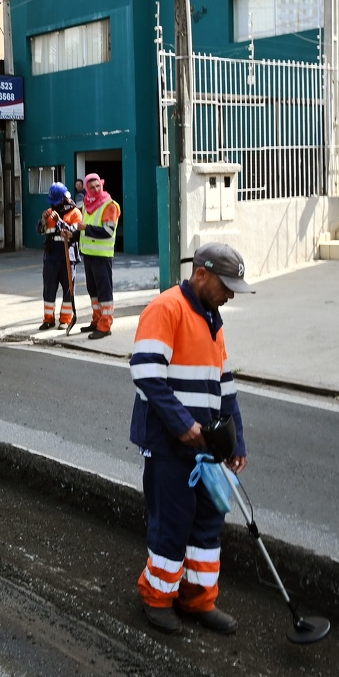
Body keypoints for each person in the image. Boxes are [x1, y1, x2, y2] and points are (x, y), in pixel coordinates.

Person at [131, 242, 253, 636]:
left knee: (207, 523)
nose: (231, 294)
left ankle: (198, 599)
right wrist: (183, 425)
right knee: (172, 522)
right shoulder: (166, 309)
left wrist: (237, 443)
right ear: (201, 274)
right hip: (169, 446)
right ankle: (157, 598)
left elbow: (226, 386)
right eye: (226, 285)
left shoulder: (212, 319)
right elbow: (147, 374)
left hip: (206, 449)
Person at [75, 174, 120, 339]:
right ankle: (97, 320)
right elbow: (82, 229)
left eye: (97, 186)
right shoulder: (87, 204)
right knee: (93, 291)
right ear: (86, 189)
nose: (95, 189)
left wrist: (86, 227)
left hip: (102, 256)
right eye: (91, 187)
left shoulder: (110, 205)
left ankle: (105, 325)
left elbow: (108, 232)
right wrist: (73, 234)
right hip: (88, 255)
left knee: (104, 292)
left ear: (101, 185)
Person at [37, 183, 80, 330]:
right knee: (49, 288)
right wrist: (42, 221)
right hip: (51, 256)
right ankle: (48, 319)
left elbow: (75, 234)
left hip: (68, 256)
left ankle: (65, 320)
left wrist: (59, 222)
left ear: (65, 199)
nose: (54, 206)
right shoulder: (49, 212)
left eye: (57, 202)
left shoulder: (75, 213)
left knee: (68, 289)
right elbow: (40, 231)